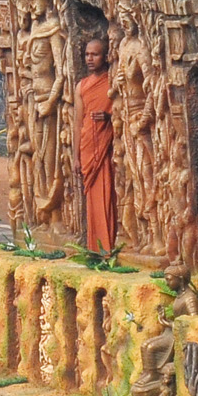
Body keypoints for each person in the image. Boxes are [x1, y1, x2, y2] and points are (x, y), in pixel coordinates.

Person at [77, 36, 114, 254]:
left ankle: (108, 246)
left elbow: (124, 111)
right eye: (87, 54)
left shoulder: (112, 83)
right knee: (92, 199)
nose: (90, 58)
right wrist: (75, 156)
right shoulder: (81, 86)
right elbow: (77, 122)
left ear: (105, 57)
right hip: (88, 146)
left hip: (106, 147)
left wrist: (109, 117)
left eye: (95, 54)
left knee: (107, 194)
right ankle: (95, 246)